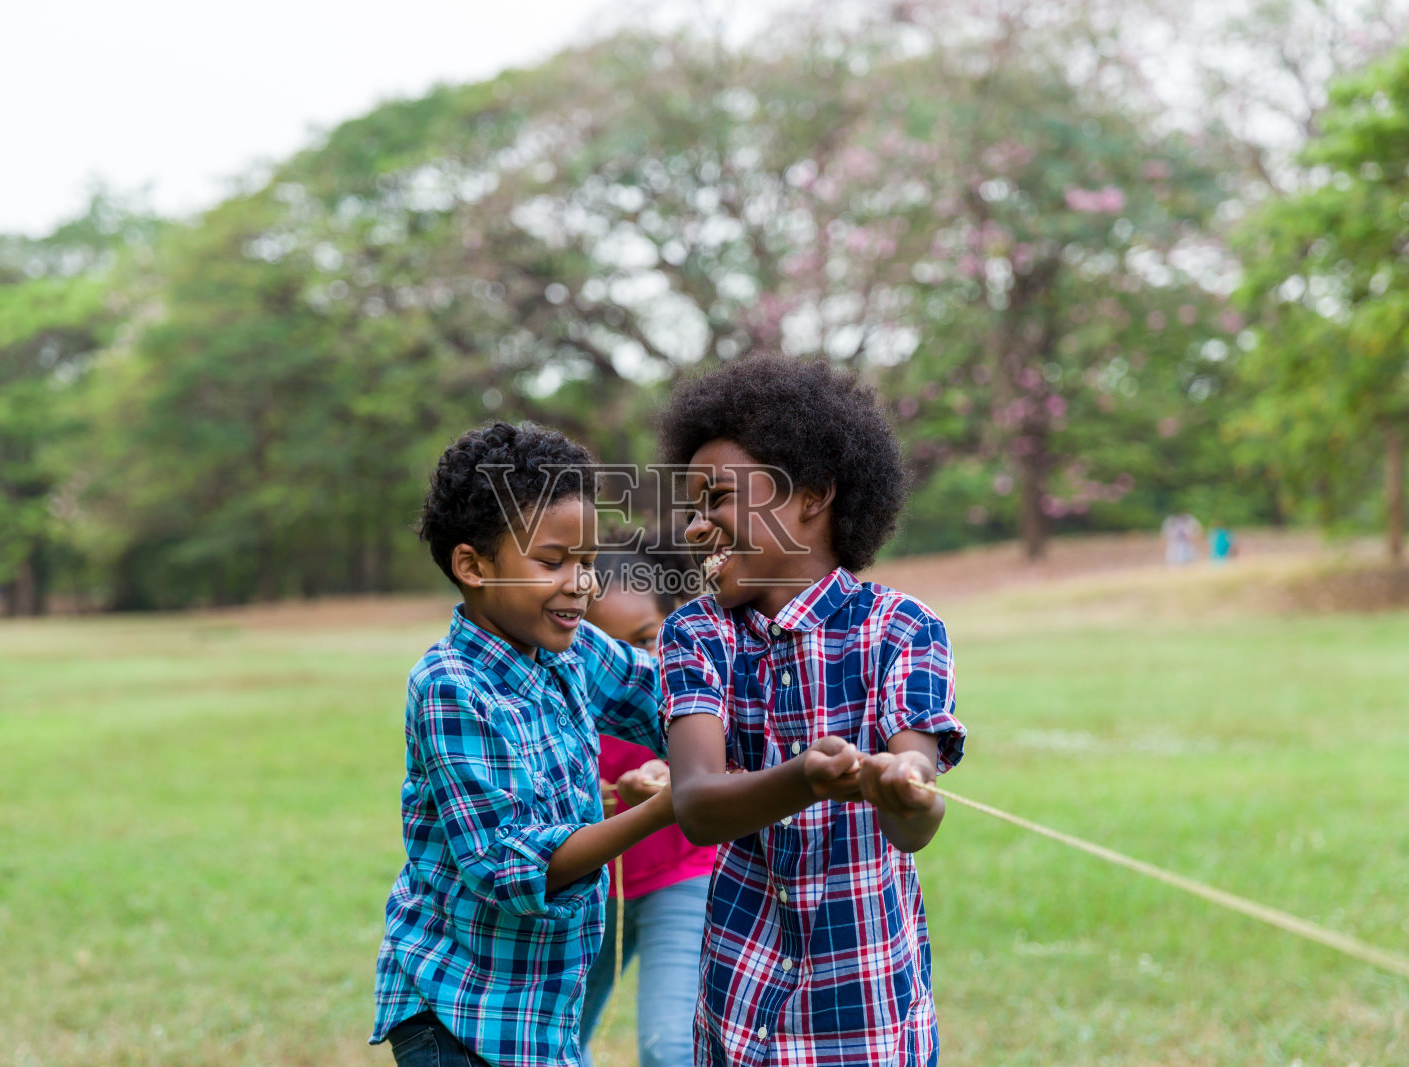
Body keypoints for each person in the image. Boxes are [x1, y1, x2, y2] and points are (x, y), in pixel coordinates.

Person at [656, 355, 967, 1067]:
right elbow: (699, 804)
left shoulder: (902, 628)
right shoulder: (695, 635)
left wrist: (907, 788)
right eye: (693, 507)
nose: (699, 526)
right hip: (736, 1004)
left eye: (718, 498)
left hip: (861, 1012)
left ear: (811, 496)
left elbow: (914, 801)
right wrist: (804, 777)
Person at [370, 422, 675, 1067]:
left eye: (588, 563)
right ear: (473, 566)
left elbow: (666, 699)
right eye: (553, 562)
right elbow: (511, 868)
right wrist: (659, 811)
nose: (580, 585)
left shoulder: (574, 651)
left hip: (537, 1022)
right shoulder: (451, 686)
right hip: (459, 1016)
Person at [578, 534, 717, 1067]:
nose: (628, 664)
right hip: (588, 890)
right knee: (551, 1042)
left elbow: (723, 765)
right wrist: (614, 799)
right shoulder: (559, 697)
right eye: (603, 649)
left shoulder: (691, 688)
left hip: (681, 877)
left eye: (644, 639)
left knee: (670, 1047)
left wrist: (677, 772)